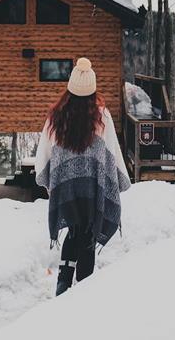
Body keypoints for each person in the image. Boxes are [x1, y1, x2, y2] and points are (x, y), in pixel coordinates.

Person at [34, 57, 131, 296]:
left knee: (74, 231)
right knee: (87, 233)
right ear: (92, 88)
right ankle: (84, 290)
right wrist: (118, 180)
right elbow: (111, 152)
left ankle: (63, 282)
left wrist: (48, 179)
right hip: (92, 187)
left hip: (65, 187)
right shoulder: (102, 116)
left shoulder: (56, 116)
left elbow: (44, 151)